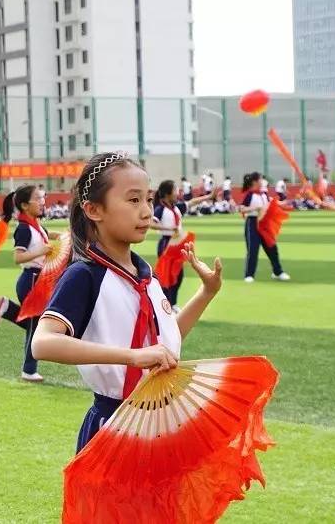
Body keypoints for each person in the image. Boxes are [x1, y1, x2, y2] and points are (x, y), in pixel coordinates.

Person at [31, 151, 222, 453]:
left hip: (162, 424)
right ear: (94, 209)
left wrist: (206, 293)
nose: (147, 212)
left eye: (148, 199)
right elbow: (42, 343)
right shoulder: (84, 276)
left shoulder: (146, 275)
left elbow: (165, 342)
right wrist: (131, 356)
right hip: (114, 425)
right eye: (134, 201)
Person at [2, 185, 53, 382]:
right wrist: (42, 251)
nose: (42, 202)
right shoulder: (23, 228)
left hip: (38, 279)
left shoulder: (35, 225)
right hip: (31, 279)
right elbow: (18, 257)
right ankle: (29, 369)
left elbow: (44, 237)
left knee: (37, 325)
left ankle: (7, 309)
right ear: (24, 205)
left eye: (43, 197)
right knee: (36, 325)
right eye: (37, 199)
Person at [151, 180, 216, 312]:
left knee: (178, 275)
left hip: (178, 244)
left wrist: (208, 197)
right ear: (168, 194)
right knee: (166, 276)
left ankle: (173, 303)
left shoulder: (176, 207)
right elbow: (151, 224)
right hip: (166, 244)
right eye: (175, 190)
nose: (178, 193)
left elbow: (192, 202)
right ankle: (165, 305)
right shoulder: (160, 209)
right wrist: (169, 228)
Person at [240, 172, 290, 283]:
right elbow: (242, 209)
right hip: (252, 223)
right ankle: (249, 275)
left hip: (265, 224)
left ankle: (278, 272)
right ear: (255, 182)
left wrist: (283, 203)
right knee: (253, 250)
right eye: (260, 179)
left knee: (272, 248)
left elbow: (271, 203)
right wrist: (255, 208)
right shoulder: (250, 195)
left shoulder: (264, 194)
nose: (262, 181)